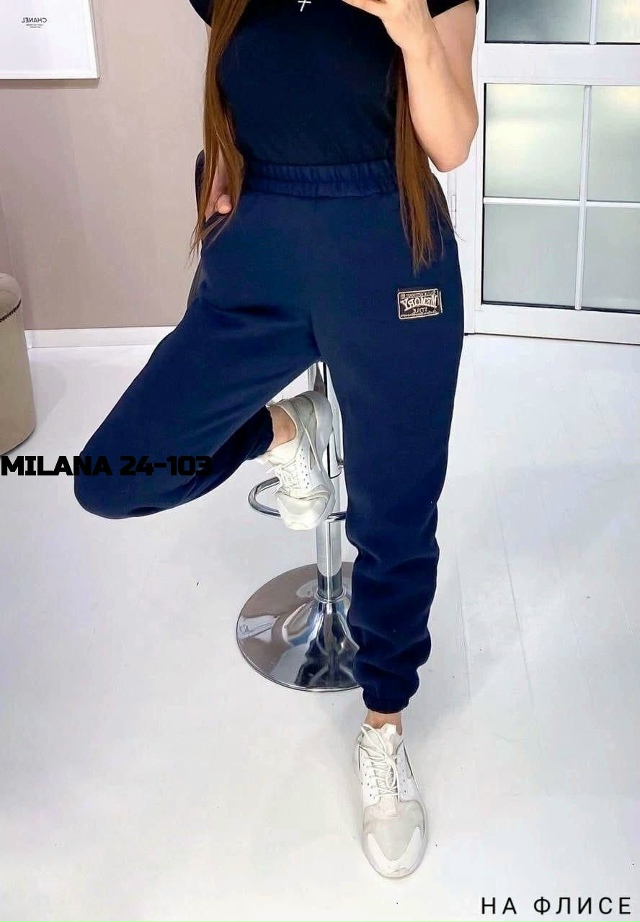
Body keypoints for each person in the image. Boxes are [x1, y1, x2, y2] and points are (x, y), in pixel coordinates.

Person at [74, 0, 479, 879]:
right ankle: (289, 428)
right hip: (259, 247)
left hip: (388, 244)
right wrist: (218, 167)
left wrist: (410, 24)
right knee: (114, 476)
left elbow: (451, 143)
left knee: (396, 514)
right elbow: (244, 83)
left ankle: (384, 728)